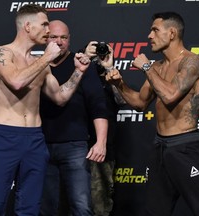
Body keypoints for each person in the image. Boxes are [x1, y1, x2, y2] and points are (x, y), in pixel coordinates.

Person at [0, 5, 91, 216]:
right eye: (44, 24)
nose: (48, 30)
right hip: (6, 137)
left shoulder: (40, 63)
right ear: (28, 26)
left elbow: (60, 97)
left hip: (35, 139)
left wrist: (78, 72)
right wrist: (46, 58)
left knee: (30, 208)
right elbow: (16, 81)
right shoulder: (1, 52)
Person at [105, 12, 199, 216]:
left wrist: (146, 66)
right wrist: (119, 84)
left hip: (185, 147)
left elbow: (170, 95)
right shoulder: (158, 67)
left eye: (155, 30)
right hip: (160, 148)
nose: (149, 35)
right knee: (154, 211)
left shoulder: (192, 62)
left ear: (172, 33)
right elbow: (140, 103)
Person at [39, 20, 108, 216]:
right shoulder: (36, 65)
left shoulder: (82, 64)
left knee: (81, 207)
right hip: (40, 145)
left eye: (64, 37)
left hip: (75, 146)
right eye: (53, 37)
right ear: (45, 39)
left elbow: (98, 107)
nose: (59, 42)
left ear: (69, 40)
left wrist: (101, 142)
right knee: (45, 208)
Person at [84, 42, 126, 216]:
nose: (100, 53)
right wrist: (86, 59)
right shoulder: (80, 71)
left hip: (103, 151)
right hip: (74, 146)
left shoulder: (111, 75)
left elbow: (123, 100)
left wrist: (109, 68)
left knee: (100, 205)